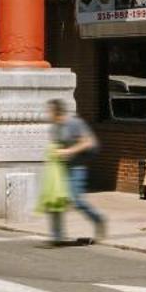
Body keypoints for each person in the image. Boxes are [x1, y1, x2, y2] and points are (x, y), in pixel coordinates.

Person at [45, 98, 106, 245]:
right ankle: (57, 236)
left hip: (77, 166)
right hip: (61, 169)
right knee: (55, 201)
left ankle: (98, 219)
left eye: (49, 111)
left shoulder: (74, 123)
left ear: (56, 111)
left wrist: (69, 151)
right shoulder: (54, 128)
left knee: (76, 201)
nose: (47, 114)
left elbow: (88, 142)